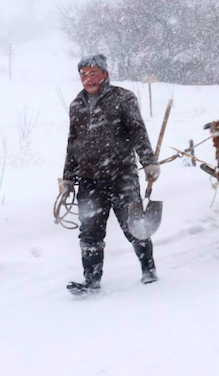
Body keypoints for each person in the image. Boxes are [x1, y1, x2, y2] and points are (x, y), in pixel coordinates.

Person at [60, 53, 161, 295]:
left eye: (93, 73)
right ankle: (91, 281)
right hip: (88, 179)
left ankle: (148, 270)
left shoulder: (123, 98)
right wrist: (67, 176)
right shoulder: (77, 104)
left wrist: (148, 161)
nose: (88, 78)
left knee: (134, 227)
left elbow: (137, 130)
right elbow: (73, 141)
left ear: (105, 74)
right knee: (90, 232)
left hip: (121, 175)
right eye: (83, 74)